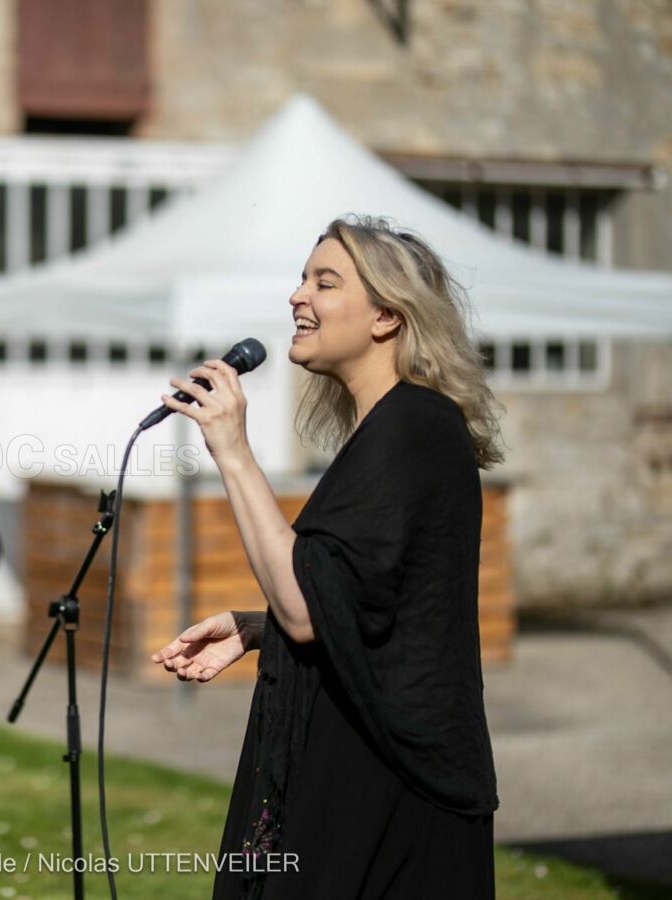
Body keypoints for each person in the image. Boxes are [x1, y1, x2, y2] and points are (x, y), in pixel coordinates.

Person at [152, 216, 503, 899]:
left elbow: (309, 608)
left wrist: (231, 447)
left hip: (392, 785)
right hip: (364, 769)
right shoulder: (395, 429)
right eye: (302, 278)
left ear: (386, 317)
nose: (296, 297)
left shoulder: (413, 428)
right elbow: (365, 597)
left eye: (325, 281)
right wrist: (261, 628)